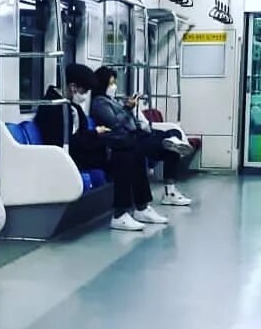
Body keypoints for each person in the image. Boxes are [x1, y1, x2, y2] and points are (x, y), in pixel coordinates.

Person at [37, 64, 167, 232]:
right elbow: (64, 142)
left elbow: (79, 135)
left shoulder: (69, 105)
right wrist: (95, 136)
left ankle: (142, 207)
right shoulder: (52, 107)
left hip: (80, 150)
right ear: (73, 87)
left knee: (134, 152)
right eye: (84, 91)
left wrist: (95, 135)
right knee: (123, 157)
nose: (85, 95)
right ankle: (119, 215)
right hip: (66, 157)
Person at [93, 66, 193, 207]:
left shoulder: (113, 101)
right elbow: (115, 123)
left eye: (114, 83)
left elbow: (128, 119)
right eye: (111, 83)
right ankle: (163, 195)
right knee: (166, 148)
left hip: (137, 133)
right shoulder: (100, 103)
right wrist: (127, 108)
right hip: (129, 138)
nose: (113, 86)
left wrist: (134, 115)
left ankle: (170, 190)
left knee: (173, 139)